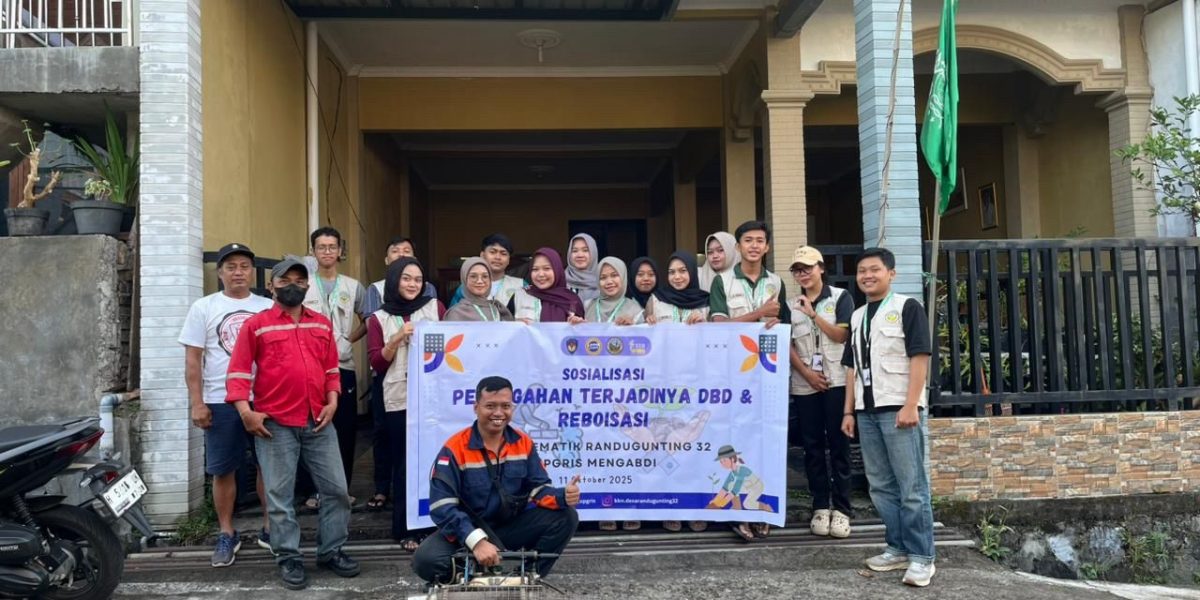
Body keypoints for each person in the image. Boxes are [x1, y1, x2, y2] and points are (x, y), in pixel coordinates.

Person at [226, 258, 359, 591]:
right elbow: (238, 373)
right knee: (280, 497)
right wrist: (246, 413)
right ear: (271, 286)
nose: (293, 286)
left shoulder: (321, 324)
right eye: (285, 280)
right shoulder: (256, 325)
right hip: (275, 424)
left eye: (300, 280)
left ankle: (331, 551)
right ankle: (288, 556)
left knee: (337, 491)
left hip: (319, 421)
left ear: (307, 286)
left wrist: (333, 401)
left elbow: (331, 369)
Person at [412, 376, 581, 584]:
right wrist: (476, 541)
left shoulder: (523, 443)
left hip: (510, 528)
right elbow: (442, 506)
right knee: (426, 560)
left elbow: (538, 489)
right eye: (490, 406)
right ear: (476, 407)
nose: (499, 413)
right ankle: (473, 576)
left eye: (505, 406)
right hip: (466, 531)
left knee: (566, 517)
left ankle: (524, 577)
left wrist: (562, 496)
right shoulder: (454, 448)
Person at [839, 247, 935, 588]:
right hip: (866, 412)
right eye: (862, 271)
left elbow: (920, 356)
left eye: (875, 269)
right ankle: (897, 548)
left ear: (890, 273)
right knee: (880, 486)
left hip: (899, 409)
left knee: (912, 487)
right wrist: (848, 410)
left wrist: (911, 405)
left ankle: (922, 557)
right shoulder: (857, 316)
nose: (867, 276)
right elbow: (851, 368)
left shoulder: (908, 307)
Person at [179, 243, 273, 567]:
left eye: (244, 266)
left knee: (268, 466)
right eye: (231, 267)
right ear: (220, 272)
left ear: (252, 272)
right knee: (223, 469)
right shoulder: (203, 307)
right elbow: (193, 360)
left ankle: (270, 528)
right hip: (220, 400)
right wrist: (197, 403)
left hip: (263, 399)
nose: (238, 272)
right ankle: (226, 532)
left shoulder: (267, 306)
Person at [366, 257, 447, 552]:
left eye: (418, 279)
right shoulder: (378, 318)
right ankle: (405, 528)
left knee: (435, 464)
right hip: (399, 399)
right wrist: (397, 338)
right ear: (393, 281)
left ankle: (434, 526)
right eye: (406, 278)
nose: (413, 284)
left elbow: (451, 344)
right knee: (404, 466)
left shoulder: (435, 308)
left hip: (433, 399)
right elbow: (377, 362)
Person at [787, 246, 855, 540]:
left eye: (808, 268)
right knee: (812, 447)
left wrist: (813, 315)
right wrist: (807, 374)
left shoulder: (840, 297)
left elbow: (842, 335)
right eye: (797, 270)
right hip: (805, 384)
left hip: (837, 381)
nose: (803, 274)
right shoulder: (789, 305)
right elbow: (787, 344)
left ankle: (842, 509)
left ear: (821, 268)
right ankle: (819, 505)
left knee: (839, 445)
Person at [302, 227, 368, 505]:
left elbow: (369, 320)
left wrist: (347, 340)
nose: (327, 252)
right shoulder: (304, 284)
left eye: (332, 247)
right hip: (309, 367)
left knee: (345, 428)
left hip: (343, 366)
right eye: (321, 247)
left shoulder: (353, 287)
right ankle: (315, 490)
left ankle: (342, 489)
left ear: (340, 251)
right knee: (312, 428)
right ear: (313, 251)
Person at [708, 220, 791, 327]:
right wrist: (760, 312)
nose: (754, 245)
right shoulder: (721, 281)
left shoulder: (776, 282)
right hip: (735, 338)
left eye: (760, 241)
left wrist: (777, 324)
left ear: (766, 247)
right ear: (738, 247)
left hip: (766, 338)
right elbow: (719, 325)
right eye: (748, 240)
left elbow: (783, 323)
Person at [509, 248, 585, 324]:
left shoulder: (571, 300)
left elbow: (582, 330)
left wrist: (576, 326)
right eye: (535, 269)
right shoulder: (520, 294)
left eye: (546, 268)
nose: (541, 274)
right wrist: (515, 325)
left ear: (557, 270)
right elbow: (506, 325)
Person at [365, 237, 439, 314]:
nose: (401, 255)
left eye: (406, 251)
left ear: (414, 259)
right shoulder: (375, 289)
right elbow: (371, 320)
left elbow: (432, 316)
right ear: (386, 260)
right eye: (395, 251)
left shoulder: (427, 288)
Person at [448, 233, 525, 308]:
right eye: (492, 252)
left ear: (509, 259)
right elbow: (454, 314)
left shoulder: (520, 285)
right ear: (482, 255)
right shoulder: (466, 287)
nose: (498, 257)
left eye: (503, 253)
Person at [645, 251, 710, 325]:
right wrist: (649, 321)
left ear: (692, 271)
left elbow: (715, 329)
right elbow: (644, 327)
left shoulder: (706, 301)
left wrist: (704, 324)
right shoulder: (655, 299)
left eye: (682, 271)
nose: (677, 277)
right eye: (672, 272)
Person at [446, 258, 515, 322]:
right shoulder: (456, 313)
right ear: (464, 279)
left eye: (485, 276)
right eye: (473, 276)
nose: (480, 281)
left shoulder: (498, 309)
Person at [584, 257, 643, 325]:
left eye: (614, 275)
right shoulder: (588, 306)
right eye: (603, 278)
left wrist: (631, 327)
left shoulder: (634, 309)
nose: (609, 282)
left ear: (623, 276)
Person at [564, 233, 601, 303]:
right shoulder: (560, 282)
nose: (580, 255)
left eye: (585, 250)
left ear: (593, 252)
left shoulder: (603, 281)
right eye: (575, 251)